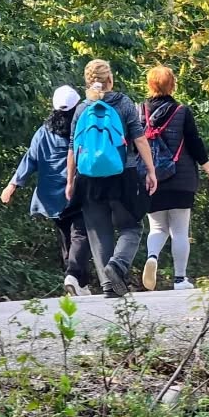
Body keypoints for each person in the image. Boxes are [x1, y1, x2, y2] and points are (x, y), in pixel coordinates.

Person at [65, 59, 158, 298]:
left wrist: (70, 181)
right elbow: (139, 139)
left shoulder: (82, 108)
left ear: (88, 81)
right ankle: (117, 265)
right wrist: (151, 170)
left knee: (98, 231)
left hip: (88, 178)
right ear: (111, 80)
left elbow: (73, 148)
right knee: (132, 226)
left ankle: (109, 285)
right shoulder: (123, 103)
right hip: (122, 175)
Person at [0, 85, 93, 297]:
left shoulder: (44, 131)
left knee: (65, 237)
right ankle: (73, 275)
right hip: (77, 189)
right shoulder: (81, 129)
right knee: (80, 233)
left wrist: (13, 184)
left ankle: (82, 283)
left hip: (51, 195)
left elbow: (30, 159)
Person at [139, 66, 209, 292]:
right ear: (172, 84)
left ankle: (153, 255)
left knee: (157, 228)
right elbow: (195, 144)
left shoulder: (140, 110)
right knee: (179, 231)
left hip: (152, 178)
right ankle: (179, 279)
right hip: (181, 179)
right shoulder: (182, 111)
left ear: (150, 84)